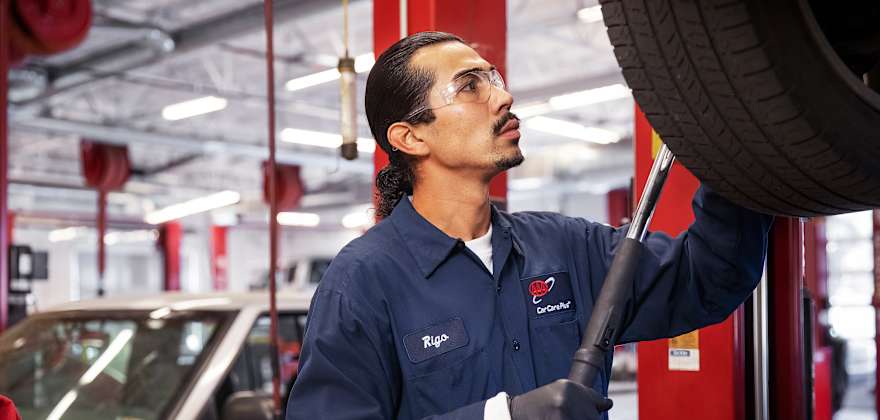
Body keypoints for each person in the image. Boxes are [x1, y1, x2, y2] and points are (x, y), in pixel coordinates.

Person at [286, 31, 773, 420]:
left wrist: (736, 146)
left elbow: (708, 277)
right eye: (470, 86)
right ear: (411, 137)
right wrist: (503, 417)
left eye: (492, 77)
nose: (503, 96)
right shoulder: (361, 284)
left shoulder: (566, 246)